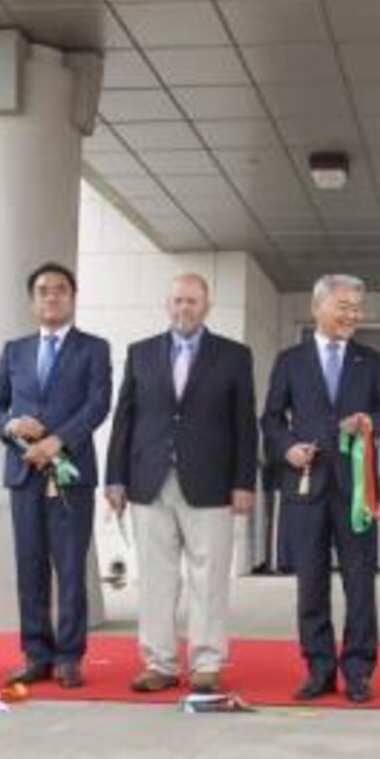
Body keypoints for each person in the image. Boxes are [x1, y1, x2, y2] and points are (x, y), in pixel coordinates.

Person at [104, 274, 256, 694]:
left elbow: (245, 423)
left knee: (209, 576)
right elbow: (125, 419)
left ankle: (207, 662)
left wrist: (245, 481)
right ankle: (159, 662)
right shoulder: (141, 353)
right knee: (155, 577)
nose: (183, 309)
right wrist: (115, 477)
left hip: (212, 482)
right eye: (176, 301)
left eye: (191, 301)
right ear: (166, 305)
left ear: (206, 306)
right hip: (148, 481)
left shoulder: (233, 355)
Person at [262, 275, 380, 703]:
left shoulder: (370, 361)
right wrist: (287, 449)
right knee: (311, 583)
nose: (352, 315)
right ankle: (319, 669)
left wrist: (369, 424)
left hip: (357, 487)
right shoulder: (290, 360)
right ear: (317, 306)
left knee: (360, 584)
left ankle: (358, 670)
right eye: (344, 306)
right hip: (305, 485)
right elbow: (270, 419)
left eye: (357, 308)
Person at [0, 262, 112, 689]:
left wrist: (57, 441)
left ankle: (69, 657)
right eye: (42, 290)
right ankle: (36, 654)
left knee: (70, 567)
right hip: (24, 474)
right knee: (30, 566)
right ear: (32, 300)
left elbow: (97, 403)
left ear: (72, 298)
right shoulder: (15, 349)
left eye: (59, 290)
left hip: (71, 474)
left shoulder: (94, 348)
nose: (51, 297)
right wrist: (11, 427)